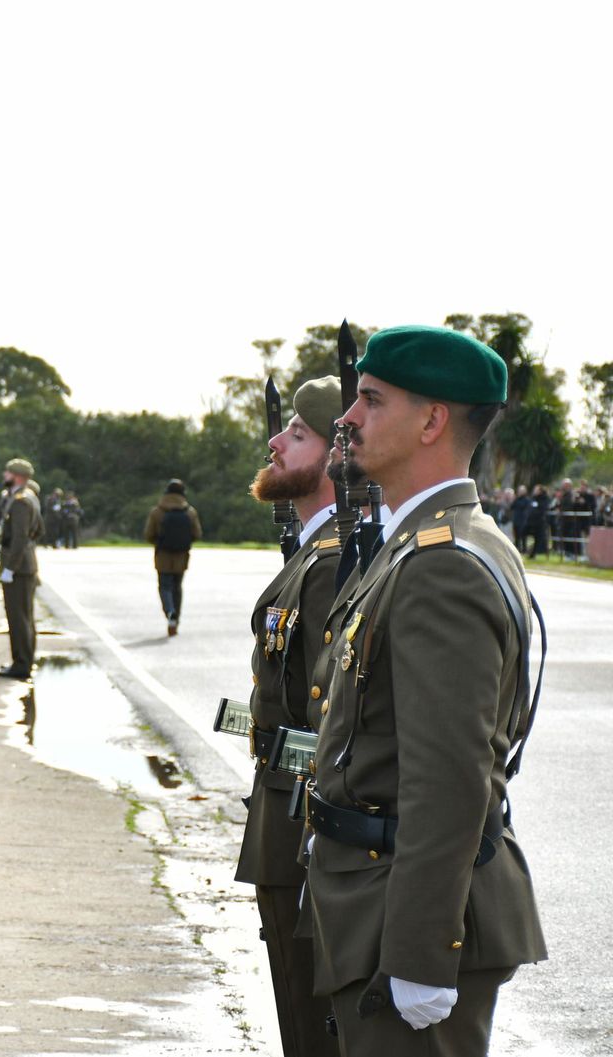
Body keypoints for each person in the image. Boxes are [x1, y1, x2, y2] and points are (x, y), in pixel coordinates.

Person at [305, 325, 546, 1055]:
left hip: (402, 915)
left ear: (432, 420)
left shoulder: (441, 564)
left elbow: (448, 779)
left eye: (372, 400)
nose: (348, 418)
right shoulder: (424, 542)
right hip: (373, 895)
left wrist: (420, 953)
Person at [233, 377, 341, 1056]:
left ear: (337, 455)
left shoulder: (331, 565)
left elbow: (327, 720)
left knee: (313, 1029)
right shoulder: (311, 554)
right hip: (282, 813)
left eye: (298, 434)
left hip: (303, 821)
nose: (275, 441)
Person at [0, 458, 42, 679]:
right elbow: (39, 531)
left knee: (18, 618)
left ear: (17, 476)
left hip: (19, 568)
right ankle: (25, 660)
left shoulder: (21, 501)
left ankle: (21, 664)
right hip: (25, 566)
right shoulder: (29, 496)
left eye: (8, 473)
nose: (4, 476)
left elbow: (20, 538)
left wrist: (10, 568)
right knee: (25, 617)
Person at [144, 479, 202, 636]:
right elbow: (197, 534)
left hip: (162, 556)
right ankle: (176, 619)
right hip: (182, 557)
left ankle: (170, 612)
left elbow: (149, 534)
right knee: (177, 587)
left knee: (164, 586)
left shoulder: (157, 512)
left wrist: (160, 542)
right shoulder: (190, 512)